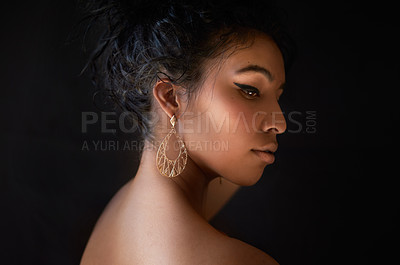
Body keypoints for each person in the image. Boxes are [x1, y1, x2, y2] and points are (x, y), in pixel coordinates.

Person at [79, 0, 294, 264]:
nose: (280, 123)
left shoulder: (122, 206)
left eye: (278, 96)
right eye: (250, 90)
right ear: (170, 97)